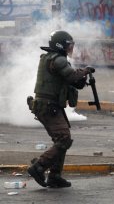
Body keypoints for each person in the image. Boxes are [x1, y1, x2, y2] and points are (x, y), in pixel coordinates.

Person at [27, 30, 93, 188]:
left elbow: (74, 82)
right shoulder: (58, 59)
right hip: (48, 107)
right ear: (60, 45)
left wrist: (82, 78)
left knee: (61, 140)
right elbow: (72, 77)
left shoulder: (51, 58)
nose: (71, 48)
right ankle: (39, 167)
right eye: (69, 45)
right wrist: (85, 71)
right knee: (64, 139)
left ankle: (55, 176)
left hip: (49, 106)